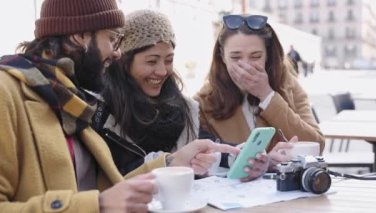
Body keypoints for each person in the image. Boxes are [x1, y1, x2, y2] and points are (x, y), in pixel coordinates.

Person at [0, 1, 239, 212]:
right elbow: (101, 200)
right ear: (79, 36)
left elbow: (111, 188)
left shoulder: (70, 99)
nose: (117, 53)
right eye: (112, 39)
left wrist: (172, 162)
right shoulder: (6, 92)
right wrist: (98, 206)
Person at [92, 9, 250, 178]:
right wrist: (170, 162)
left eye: (169, 60)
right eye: (151, 61)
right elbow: (107, 180)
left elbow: (211, 150)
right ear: (124, 62)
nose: (162, 71)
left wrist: (246, 158)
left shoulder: (186, 110)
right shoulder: (100, 114)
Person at [195, 14, 325, 174]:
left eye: (256, 56)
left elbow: (316, 146)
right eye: (235, 57)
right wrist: (264, 161)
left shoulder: (289, 86)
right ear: (222, 56)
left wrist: (267, 95)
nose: (246, 65)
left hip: (286, 192)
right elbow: (203, 161)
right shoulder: (203, 101)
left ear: (267, 55)